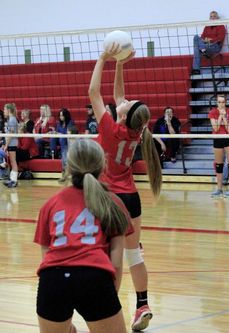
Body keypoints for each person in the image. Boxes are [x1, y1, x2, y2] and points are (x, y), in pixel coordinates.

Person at [89, 45, 162, 331]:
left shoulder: (110, 129)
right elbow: (120, 97)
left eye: (126, 103)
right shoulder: (137, 130)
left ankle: (110, 307)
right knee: (135, 254)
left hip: (111, 199)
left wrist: (102, 59)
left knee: (111, 255)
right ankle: (142, 303)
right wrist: (120, 64)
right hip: (132, 198)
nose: (125, 99)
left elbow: (94, 93)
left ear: (121, 114)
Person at [34, 138, 132, 333]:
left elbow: (46, 254)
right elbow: (117, 262)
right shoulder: (113, 203)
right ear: (103, 165)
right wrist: (109, 298)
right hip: (93, 277)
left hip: (52, 279)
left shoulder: (50, 204)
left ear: (68, 167)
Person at [209, 94, 229, 197]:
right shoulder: (212, 112)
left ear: (225, 103)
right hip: (218, 139)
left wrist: (224, 117)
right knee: (219, 165)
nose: (221, 104)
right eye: (219, 102)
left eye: (223, 102)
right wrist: (220, 116)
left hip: (228, 139)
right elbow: (215, 129)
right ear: (217, 103)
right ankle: (219, 189)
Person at [191, 10, 226, 75]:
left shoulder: (221, 26)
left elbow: (220, 38)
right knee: (196, 37)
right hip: (206, 46)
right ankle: (196, 70)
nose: (212, 18)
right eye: (211, 16)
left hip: (215, 46)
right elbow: (202, 37)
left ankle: (196, 70)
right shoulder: (207, 27)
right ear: (209, 18)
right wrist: (204, 40)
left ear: (217, 18)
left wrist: (210, 40)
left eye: (214, 16)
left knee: (197, 49)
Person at [3, 103, 19, 188]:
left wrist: (6, 145)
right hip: (11, 143)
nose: (3, 111)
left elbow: (11, 134)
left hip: (12, 143)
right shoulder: (11, 119)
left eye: (4, 110)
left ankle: (14, 181)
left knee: (13, 161)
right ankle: (12, 180)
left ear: (9, 110)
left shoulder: (12, 119)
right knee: (12, 162)